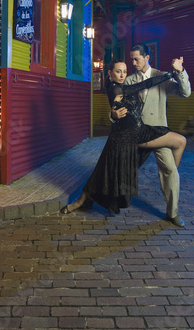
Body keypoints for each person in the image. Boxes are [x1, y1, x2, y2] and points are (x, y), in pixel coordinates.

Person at [60, 58, 186, 218]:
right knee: (103, 172)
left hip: (139, 131)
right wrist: (113, 112)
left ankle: (172, 174)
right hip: (126, 137)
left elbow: (141, 89)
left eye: (125, 71)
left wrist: (170, 74)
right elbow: (124, 94)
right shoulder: (114, 88)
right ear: (110, 73)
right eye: (118, 71)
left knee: (180, 141)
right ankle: (79, 201)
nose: (122, 74)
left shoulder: (123, 87)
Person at [121, 43, 191, 227]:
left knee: (169, 169)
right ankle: (118, 195)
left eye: (137, 58)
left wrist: (180, 71)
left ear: (147, 57)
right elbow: (122, 106)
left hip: (158, 133)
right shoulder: (129, 80)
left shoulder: (162, 77)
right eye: (132, 59)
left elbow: (185, 93)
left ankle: (172, 213)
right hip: (136, 133)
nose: (134, 62)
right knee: (124, 166)